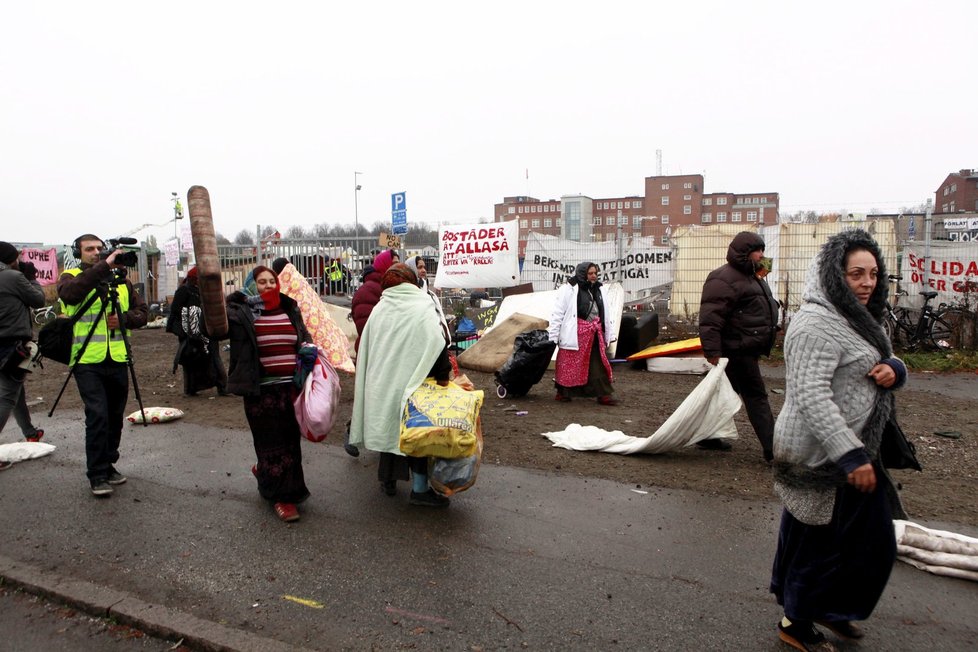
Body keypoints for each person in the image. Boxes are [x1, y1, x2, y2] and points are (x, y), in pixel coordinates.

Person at [770, 228, 907, 651]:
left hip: (852, 447)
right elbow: (811, 394)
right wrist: (849, 456)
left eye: (873, 273)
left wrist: (895, 369)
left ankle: (828, 607)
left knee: (856, 540)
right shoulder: (815, 324)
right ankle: (796, 621)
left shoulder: (854, 317)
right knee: (822, 542)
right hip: (820, 453)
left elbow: (875, 361)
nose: (868, 283)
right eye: (856, 274)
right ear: (834, 275)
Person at [349, 263, 453, 506]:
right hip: (416, 382)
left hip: (383, 382)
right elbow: (436, 343)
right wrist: (443, 376)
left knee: (389, 429)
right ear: (412, 281)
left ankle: (388, 480)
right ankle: (419, 489)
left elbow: (368, 346)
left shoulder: (380, 308)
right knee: (416, 433)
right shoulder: (422, 305)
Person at [57, 234, 148, 496]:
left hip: (118, 358)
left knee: (114, 416)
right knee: (97, 414)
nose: (95, 252)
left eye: (99, 248)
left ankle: (108, 464)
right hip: (87, 359)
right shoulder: (71, 276)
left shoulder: (121, 281)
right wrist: (104, 267)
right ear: (79, 252)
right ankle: (96, 473)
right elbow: (72, 296)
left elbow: (143, 314)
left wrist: (125, 320)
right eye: (89, 249)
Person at [225, 265, 312, 523]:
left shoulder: (289, 307)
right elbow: (214, 330)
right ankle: (282, 498)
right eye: (261, 282)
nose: (268, 286)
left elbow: (303, 335)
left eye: (272, 281)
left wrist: (308, 348)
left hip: (290, 388)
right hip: (260, 392)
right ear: (252, 285)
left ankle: (267, 474)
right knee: (271, 444)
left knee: (290, 443)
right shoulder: (240, 312)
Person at [698, 231, 779, 460]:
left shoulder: (754, 276)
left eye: (763, 250)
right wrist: (712, 351)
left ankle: (707, 436)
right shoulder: (723, 278)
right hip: (736, 350)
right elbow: (711, 318)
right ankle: (773, 449)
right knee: (756, 396)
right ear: (745, 252)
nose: (762, 255)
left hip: (745, 347)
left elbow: (756, 307)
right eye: (758, 250)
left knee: (722, 394)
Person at [344, 249, 398, 457]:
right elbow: (366, 328)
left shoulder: (391, 288)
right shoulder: (369, 291)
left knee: (381, 401)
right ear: (383, 266)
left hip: (389, 354)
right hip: (374, 356)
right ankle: (351, 433)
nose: (396, 266)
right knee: (370, 399)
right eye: (392, 263)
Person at [0, 242, 46, 466]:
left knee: (16, 390)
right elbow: (38, 300)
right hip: (12, 346)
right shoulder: (11, 277)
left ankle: (29, 431)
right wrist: (31, 278)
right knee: (8, 394)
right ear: (10, 258)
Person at [548, 262, 618, 406]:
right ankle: (563, 393)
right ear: (582, 274)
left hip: (593, 334)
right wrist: (553, 336)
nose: (593, 276)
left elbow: (605, 312)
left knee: (597, 363)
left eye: (595, 273)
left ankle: (603, 394)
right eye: (590, 273)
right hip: (574, 334)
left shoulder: (599, 289)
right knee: (569, 365)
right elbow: (558, 313)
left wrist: (608, 335)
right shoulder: (569, 289)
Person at [166, 266, 228, 397]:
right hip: (189, 332)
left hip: (207, 330)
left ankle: (223, 386)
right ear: (195, 279)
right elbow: (176, 311)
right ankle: (191, 388)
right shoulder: (184, 291)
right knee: (191, 359)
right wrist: (184, 330)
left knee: (214, 356)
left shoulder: (206, 291)